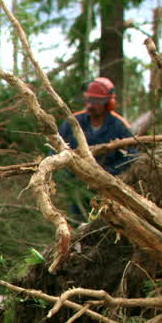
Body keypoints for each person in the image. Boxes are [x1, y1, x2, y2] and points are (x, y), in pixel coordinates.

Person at [57, 77, 136, 218]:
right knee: (78, 220)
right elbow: (56, 148)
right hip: (78, 185)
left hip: (107, 189)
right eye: (89, 100)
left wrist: (109, 173)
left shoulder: (119, 125)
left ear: (108, 103)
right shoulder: (73, 122)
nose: (91, 106)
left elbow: (132, 156)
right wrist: (68, 176)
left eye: (96, 102)